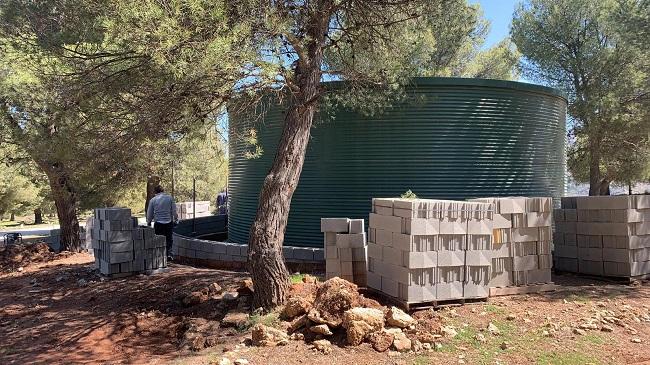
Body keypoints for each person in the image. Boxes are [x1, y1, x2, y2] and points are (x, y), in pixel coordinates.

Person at [146, 185, 178, 260]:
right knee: (169, 239)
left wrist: (149, 222)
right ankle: (168, 254)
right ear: (163, 191)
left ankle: (159, 256)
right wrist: (176, 219)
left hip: (158, 223)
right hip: (168, 223)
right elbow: (174, 210)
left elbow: (149, 213)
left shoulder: (153, 200)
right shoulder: (170, 198)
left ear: (155, 192)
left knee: (158, 240)